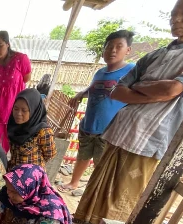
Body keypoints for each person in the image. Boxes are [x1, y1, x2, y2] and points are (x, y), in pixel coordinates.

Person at [75, 0, 183, 224]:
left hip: (150, 139)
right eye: (173, 14)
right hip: (121, 132)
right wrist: (156, 92)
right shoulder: (156, 54)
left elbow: (173, 89)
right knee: (98, 190)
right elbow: (118, 91)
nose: (176, 19)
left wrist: (146, 87)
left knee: (123, 201)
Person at [58, 30, 136, 195]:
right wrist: (81, 93)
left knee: (101, 163)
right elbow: (94, 88)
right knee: (83, 155)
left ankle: (95, 192)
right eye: (109, 47)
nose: (113, 50)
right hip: (89, 124)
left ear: (128, 50)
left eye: (118, 46)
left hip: (109, 130)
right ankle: (74, 182)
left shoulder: (132, 71)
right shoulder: (100, 72)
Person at [0, 30, 32, 152]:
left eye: (0, 46)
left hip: (15, 110)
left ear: (8, 44)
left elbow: (26, 78)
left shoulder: (20, 59)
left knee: (15, 145)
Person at [7, 88, 57, 169]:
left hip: (31, 177)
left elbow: (50, 154)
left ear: (34, 111)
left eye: (24, 110)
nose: (18, 113)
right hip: (13, 174)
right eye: (16, 109)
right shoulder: (13, 125)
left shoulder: (43, 131)